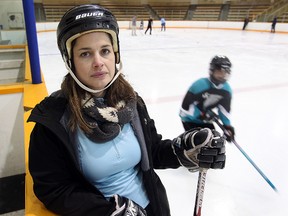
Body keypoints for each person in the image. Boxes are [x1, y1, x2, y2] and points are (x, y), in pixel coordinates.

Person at [28, 5, 226, 216]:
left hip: (153, 208)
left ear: (115, 54)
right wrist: (108, 211)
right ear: (70, 61)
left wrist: (184, 149)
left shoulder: (131, 102)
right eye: (85, 54)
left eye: (105, 51)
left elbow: (152, 152)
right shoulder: (53, 120)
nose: (98, 62)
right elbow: (54, 189)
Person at [179, 55, 235, 142]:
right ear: (212, 71)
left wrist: (227, 126)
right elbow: (185, 108)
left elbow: (224, 110)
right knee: (200, 145)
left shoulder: (226, 90)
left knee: (213, 143)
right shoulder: (199, 85)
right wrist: (201, 115)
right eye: (219, 72)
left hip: (205, 120)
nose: (221, 75)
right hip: (189, 120)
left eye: (224, 72)